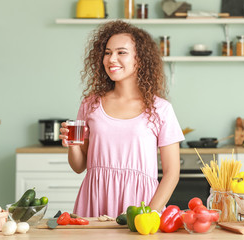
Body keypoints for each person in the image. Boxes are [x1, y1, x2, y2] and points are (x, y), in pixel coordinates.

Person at [59, 20, 184, 218]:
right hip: (95, 201)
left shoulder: (161, 109)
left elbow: (172, 174)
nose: (111, 59)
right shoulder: (90, 104)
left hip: (141, 205)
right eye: (107, 53)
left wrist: (149, 215)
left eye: (121, 52)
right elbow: (78, 166)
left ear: (139, 59)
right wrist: (72, 145)